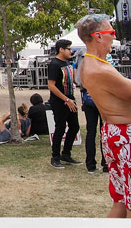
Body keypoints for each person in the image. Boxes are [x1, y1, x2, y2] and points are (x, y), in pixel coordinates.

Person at [77, 13, 131, 218]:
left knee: (122, 201)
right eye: (111, 32)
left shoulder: (89, 64)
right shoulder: (99, 69)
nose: (114, 35)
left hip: (117, 133)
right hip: (127, 136)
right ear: (98, 36)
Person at [47, 39, 81, 168]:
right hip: (60, 101)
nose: (71, 51)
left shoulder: (67, 62)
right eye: (69, 49)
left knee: (74, 126)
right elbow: (51, 85)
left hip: (70, 99)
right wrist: (65, 99)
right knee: (60, 128)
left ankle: (66, 154)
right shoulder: (54, 64)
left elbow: (72, 79)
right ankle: (55, 157)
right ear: (61, 49)